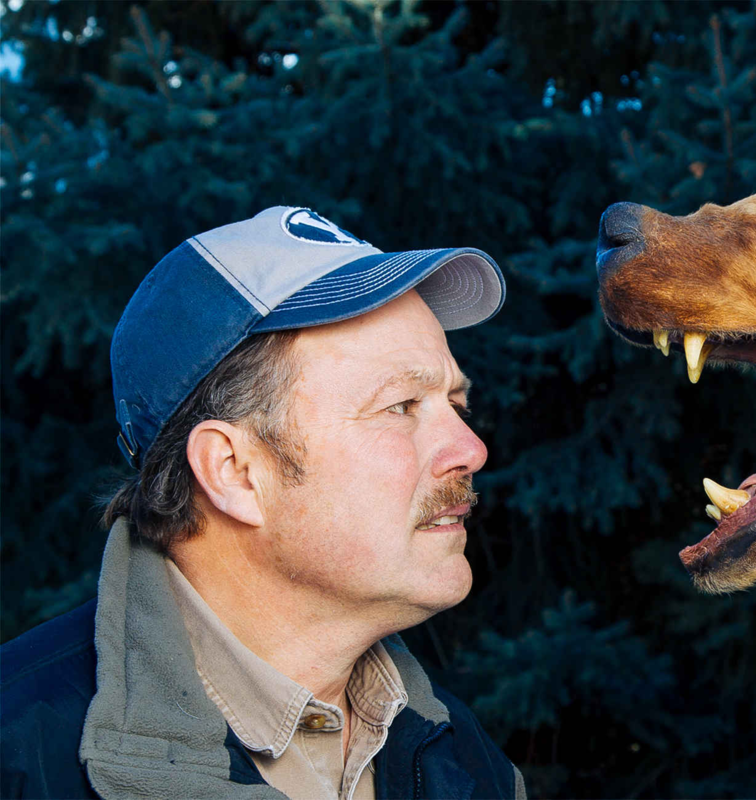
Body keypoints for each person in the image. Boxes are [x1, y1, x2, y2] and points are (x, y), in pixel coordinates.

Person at [0, 207, 525, 800]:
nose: (472, 448)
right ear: (235, 472)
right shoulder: (22, 757)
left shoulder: (469, 763)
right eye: (401, 406)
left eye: (456, 403)